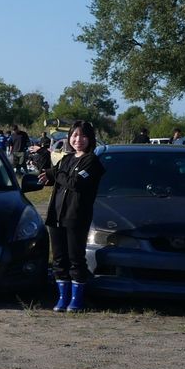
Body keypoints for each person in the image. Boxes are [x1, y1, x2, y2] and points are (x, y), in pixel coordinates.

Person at [41, 120, 105, 313]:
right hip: (56, 216)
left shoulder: (92, 161)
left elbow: (75, 183)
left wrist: (57, 173)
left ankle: (77, 300)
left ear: (90, 139)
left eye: (83, 136)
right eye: (75, 135)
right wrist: (49, 170)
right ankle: (63, 297)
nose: (78, 140)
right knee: (59, 259)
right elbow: (56, 178)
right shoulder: (66, 159)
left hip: (76, 217)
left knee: (75, 258)